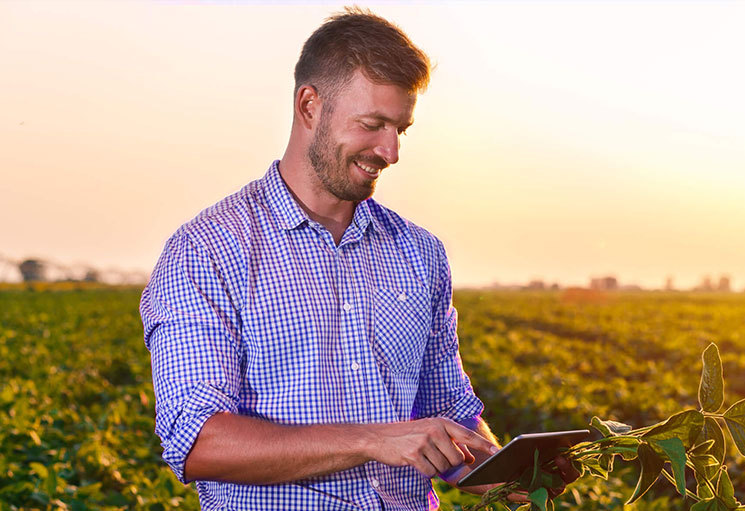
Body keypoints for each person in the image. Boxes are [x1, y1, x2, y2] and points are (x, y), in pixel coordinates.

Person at [140, 7, 577, 510]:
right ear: (309, 106)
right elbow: (198, 441)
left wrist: (511, 473)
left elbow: (447, 416)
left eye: (401, 129)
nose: (390, 151)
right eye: (372, 125)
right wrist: (373, 440)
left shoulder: (419, 253)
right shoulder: (208, 249)